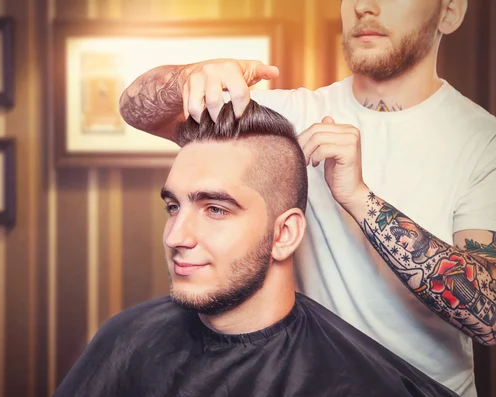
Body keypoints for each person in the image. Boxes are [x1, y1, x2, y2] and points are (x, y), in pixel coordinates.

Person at [117, 1, 496, 396]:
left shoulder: (483, 144)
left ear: (450, 12)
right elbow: (135, 108)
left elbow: (489, 316)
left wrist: (359, 199)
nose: (365, 7)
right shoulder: (287, 116)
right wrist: (187, 78)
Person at [53, 101, 458, 397]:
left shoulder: (363, 382)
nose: (176, 236)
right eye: (173, 207)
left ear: (284, 235)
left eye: (214, 209)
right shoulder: (126, 338)